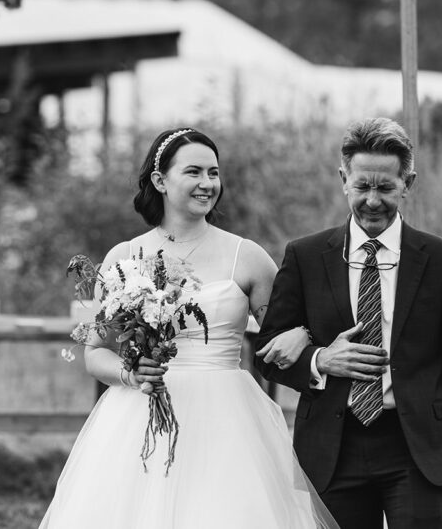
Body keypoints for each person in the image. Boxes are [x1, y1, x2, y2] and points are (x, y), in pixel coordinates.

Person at [39, 128, 339, 529]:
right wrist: (130, 373)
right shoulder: (122, 256)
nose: (208, 184)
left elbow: (281, 335)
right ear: (160, 181)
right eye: (194, 172)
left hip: (228, 420)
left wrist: (302, 332)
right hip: (139, 412)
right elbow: (94, 352)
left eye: (214, 173)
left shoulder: (247, 257)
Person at [254, 118, 442, 529]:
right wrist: (319, 361)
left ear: (408, 182)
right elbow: (268, 355)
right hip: (332, 449)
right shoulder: (305, 256)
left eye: (386, 188)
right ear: (343, 178)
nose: (372, 200)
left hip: (418, 450)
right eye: (362, 186)